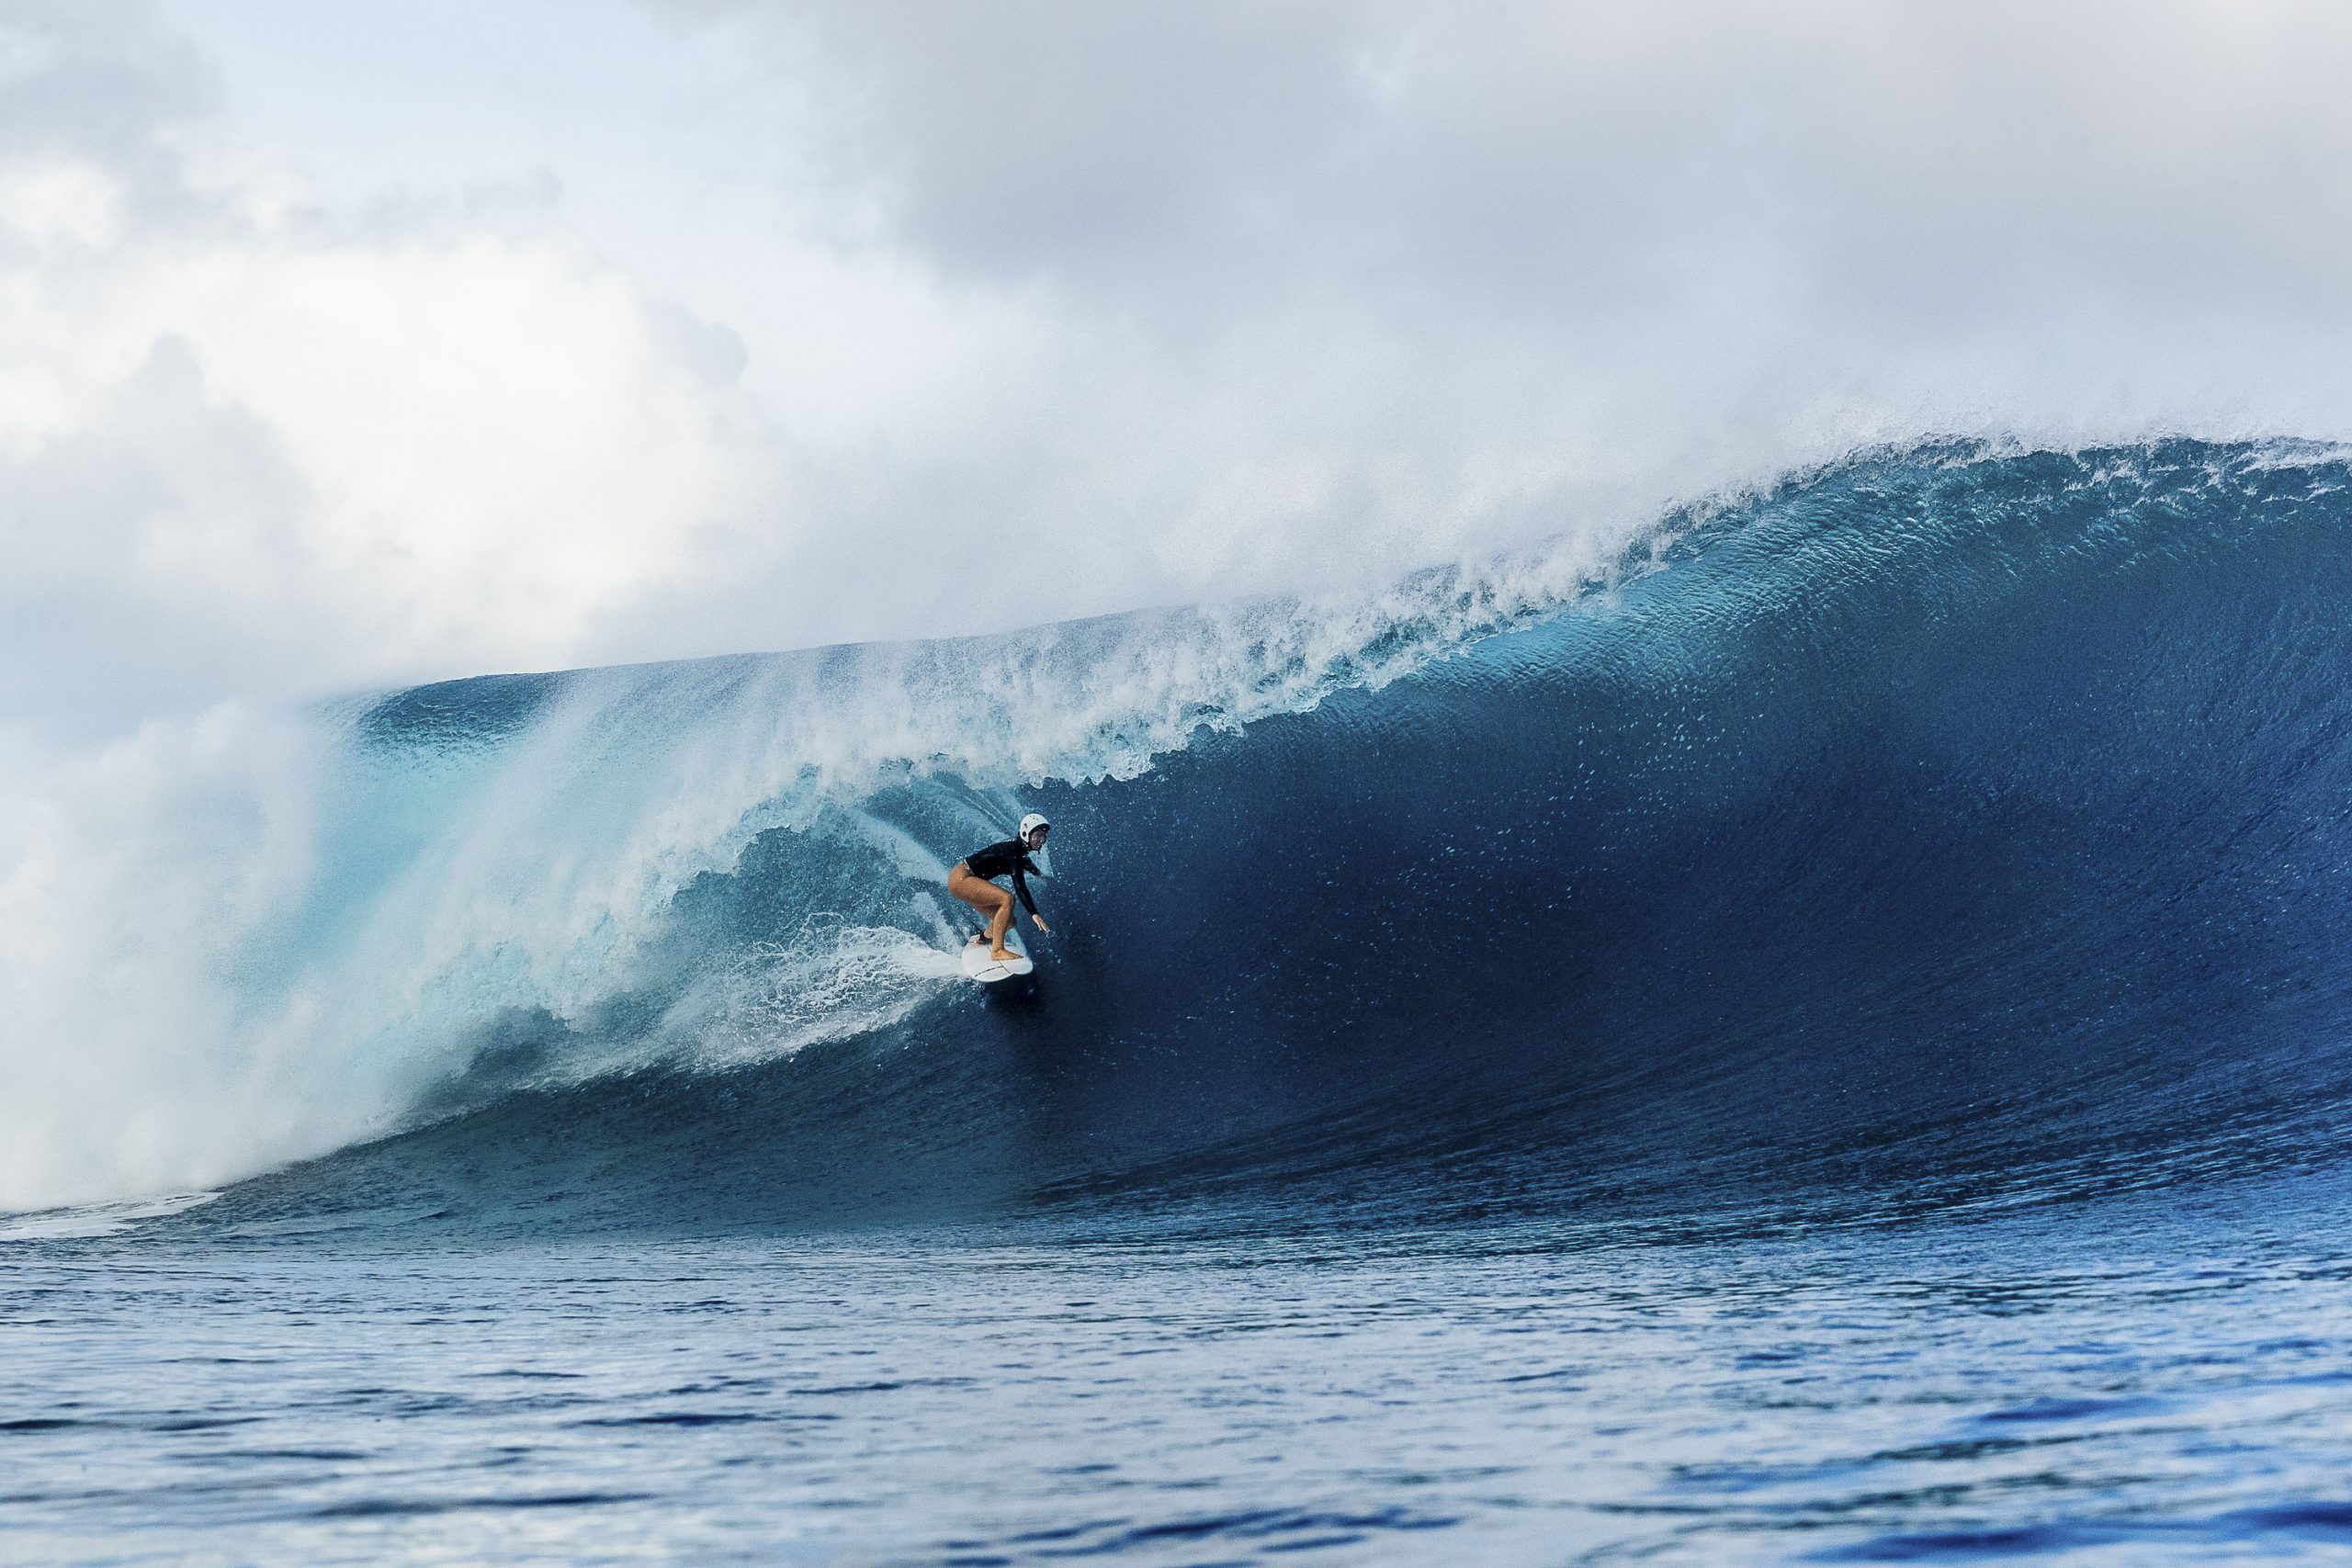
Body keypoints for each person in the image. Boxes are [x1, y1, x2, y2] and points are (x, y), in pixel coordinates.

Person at [950, 813, 1052, 964]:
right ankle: (997, 951)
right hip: (961, 879)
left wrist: (1043, 877)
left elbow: (1026, 863)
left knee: (1009, 921)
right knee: (1007, 899)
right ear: (1026, 834)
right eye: (1038, 835)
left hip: (970, 882)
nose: (1042, 839)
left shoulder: (1019, 851)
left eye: (1044, 836)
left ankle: (983, 938)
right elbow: (1020, 886)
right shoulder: (1014, 854)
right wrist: (1034, 913)